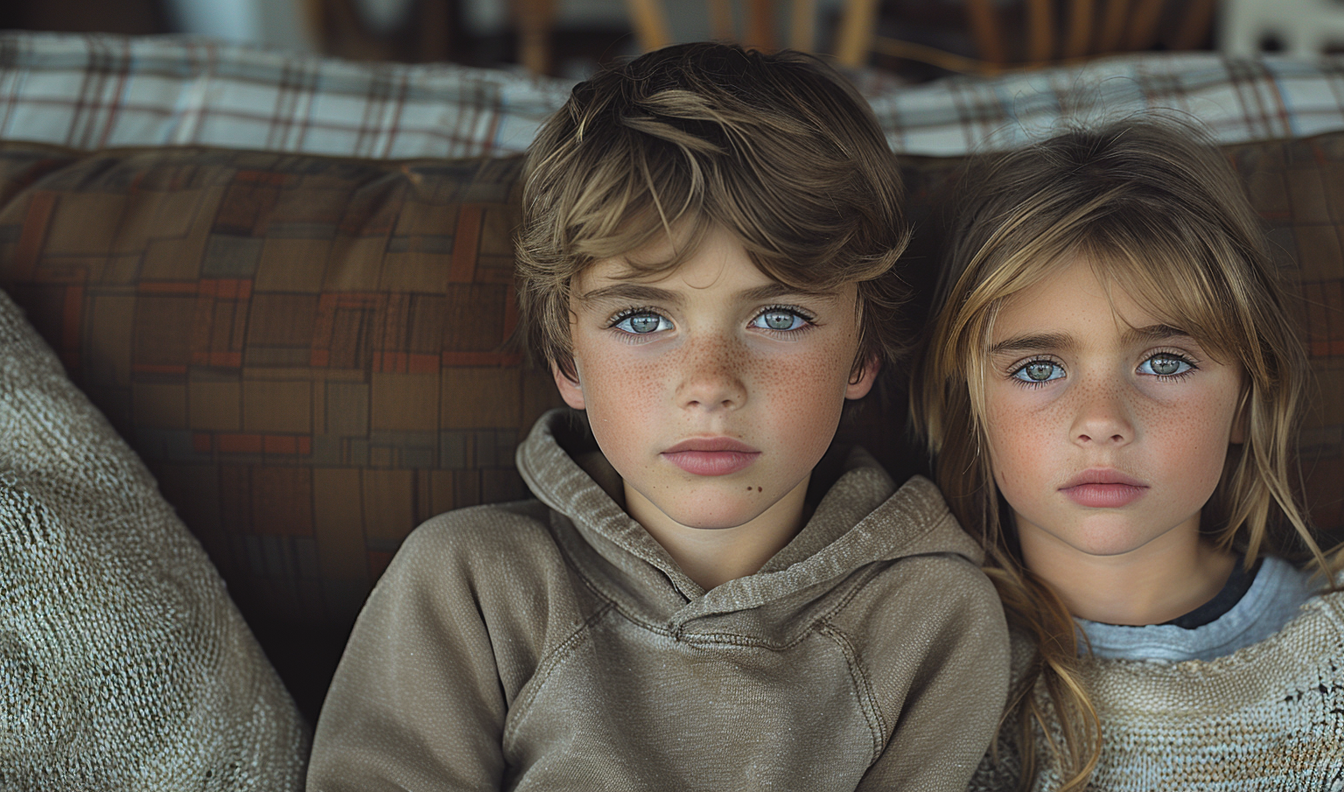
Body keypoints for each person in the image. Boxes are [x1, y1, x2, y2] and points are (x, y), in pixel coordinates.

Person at [305, 42, 1009, 791]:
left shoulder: (934, 617)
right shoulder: (470, 584)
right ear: (569, 362)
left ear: (862, 357)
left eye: (779, 317)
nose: (710, 386)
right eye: (642, 320)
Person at [911, 121, 1344, 791]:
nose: (1102, 422)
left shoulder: (1332, 655)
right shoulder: (927, 675)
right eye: (1036, 369)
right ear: (970, 409)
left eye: (1164, 362)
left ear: (1247, 398)